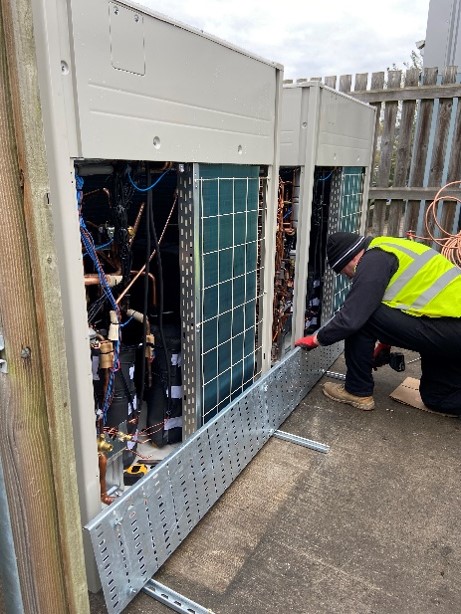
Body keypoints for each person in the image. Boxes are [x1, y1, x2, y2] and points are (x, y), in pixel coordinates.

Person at [295, 232, 461, 416]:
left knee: (363, 315)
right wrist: (385, 343)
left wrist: (317, 339)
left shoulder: (374, 258)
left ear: (351, 259)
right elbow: (405, 303)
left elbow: (352, 318)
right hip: (449, 331)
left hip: (451, 329)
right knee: (437, 398)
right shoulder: (392, 247)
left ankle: (357, 391)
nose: (350, 278)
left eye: (345, 273)